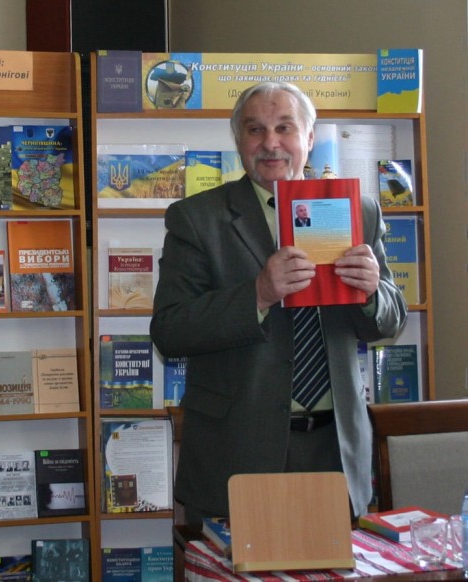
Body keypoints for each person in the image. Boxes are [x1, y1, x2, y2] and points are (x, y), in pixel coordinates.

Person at [150, 81, 406, 522]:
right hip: (236, 454)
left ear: (309, 137)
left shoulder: (357, 210)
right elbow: (170, 331)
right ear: (238, 140)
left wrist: (371, 293)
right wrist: (258, 295)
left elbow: (390, 319)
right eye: (255, 130)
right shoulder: (196, 219)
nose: (271, 143)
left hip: (335, 451)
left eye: (285, 127)